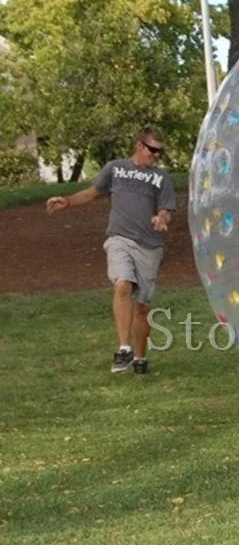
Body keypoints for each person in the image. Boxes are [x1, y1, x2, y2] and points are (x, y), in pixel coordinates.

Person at [46, 127, 177, 375]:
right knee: (122, 284)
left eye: (160, 151)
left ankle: (140, 359)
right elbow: (93, 192)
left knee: (142, 307)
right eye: (152, 150)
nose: (156, 155)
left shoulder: (162, 178)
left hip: (149, 247)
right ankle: (124, 349)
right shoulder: (115, 169)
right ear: (139, 146)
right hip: (119, 238)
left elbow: (166, 209)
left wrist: (161, 217)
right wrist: (68, 201)